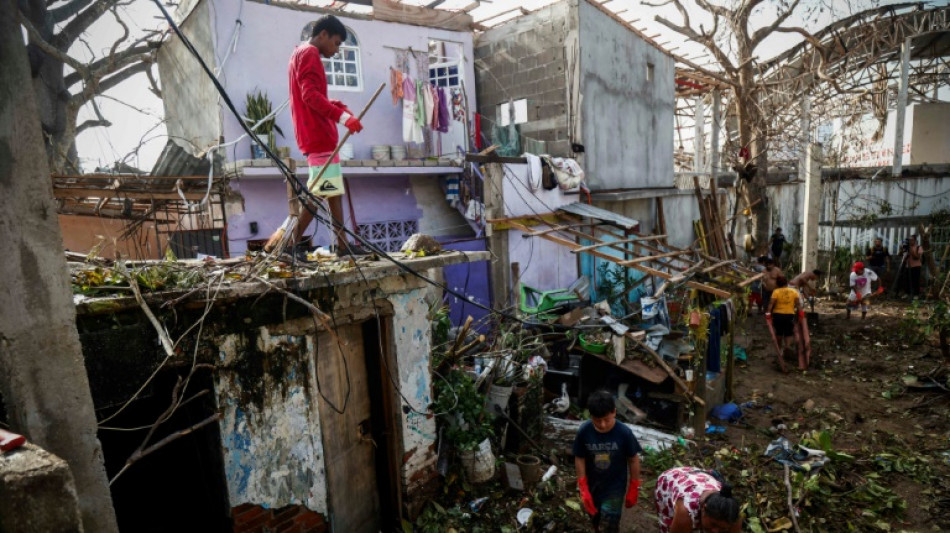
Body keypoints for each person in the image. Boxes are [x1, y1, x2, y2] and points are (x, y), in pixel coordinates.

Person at [264, 15, 364, 257]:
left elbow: (310, 95)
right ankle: (289, 244)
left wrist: (337, 106)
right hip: (318, 134)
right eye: (337, 43)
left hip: (314, 133)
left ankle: (341, 246)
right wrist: (343, 118)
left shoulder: (299, 53)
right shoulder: (309, 54)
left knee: (331, 190)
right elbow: (310, 96)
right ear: (324, 35)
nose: (337, 50)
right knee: (319, 191)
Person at [573, 390, 642, 533]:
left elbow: (633, 459)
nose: (603, 425)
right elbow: (580, 457)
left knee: (609, 524)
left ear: (614, 412)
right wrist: (582, 485)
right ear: (591, 416)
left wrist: (634, 486)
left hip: (614, 487)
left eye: (607, 419)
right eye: (597, 420)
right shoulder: (584, 431)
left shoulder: (624, 433)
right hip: (593, 485)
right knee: (595, 519)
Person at [655, 467, 742, 533]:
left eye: (722, 528)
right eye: (713, 524)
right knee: (674, 525)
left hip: (699, 478)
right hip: (670, 479)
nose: (715, 531)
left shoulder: (734, 516)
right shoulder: (685, 512)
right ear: (704, 509)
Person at [766, 276, 805, 370]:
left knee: (778, 333)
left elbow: (771, 304)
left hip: (778, 315)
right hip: (789, 315)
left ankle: (779, 350)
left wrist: (768, 314)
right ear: (786, 283)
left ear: (777, 284)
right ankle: (787, 347)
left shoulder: (776, 292)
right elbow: (798, 304)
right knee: (788, 333)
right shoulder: (793, 291)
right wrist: (801, 314)